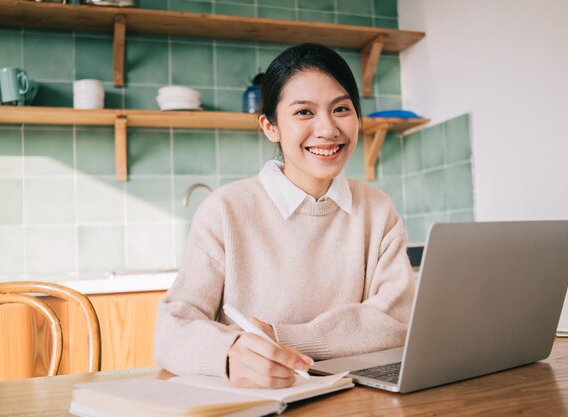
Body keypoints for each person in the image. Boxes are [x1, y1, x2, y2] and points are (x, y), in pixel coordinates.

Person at [154, 43, 415, 389]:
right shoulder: (225, 210)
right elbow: (171, 331)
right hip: (260, 400)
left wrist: (283, 337)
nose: (327, 129)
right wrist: (228, 355)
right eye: (304, 112)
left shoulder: (378, 209)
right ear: (270, 126)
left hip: (355, 399)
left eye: (341, 109)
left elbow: (396, 321)